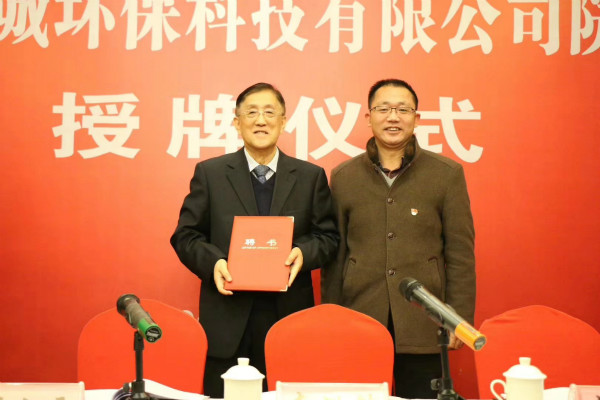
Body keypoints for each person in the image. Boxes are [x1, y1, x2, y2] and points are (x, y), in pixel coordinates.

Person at [170, 82, 338, 398]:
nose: (261, 120)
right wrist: (214, 262)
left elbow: (328, 237)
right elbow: (185, 235)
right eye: (252, 113)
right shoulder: (210, 173)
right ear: (237, 123)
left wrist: (303, 253)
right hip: (227, 319)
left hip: (287, 318)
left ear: (283, 122)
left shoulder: (309, 176)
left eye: (269, 112)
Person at [321, 79, 475, 399]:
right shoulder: (344, 176)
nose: (393, 117)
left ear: (416, 119)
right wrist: (332, 317)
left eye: (403, 110)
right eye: (384, 109)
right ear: (369, 117)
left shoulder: (446, 174)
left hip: (423, 320)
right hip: (360, 315)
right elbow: (336, 256)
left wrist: (457, 317)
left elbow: (460, 253)